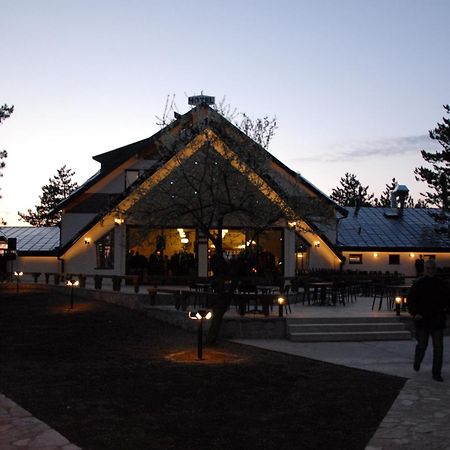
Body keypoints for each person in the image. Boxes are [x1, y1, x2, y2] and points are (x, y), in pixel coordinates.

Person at [407, 261, 450, 382]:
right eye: (428, 268)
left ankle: (436, 372)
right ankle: (417, 360)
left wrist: (446, 311)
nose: (431, 270)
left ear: (435, 269)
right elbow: (411, 300)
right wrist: (415, 313)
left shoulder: (442, 284)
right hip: (422, 320)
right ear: (425, 269)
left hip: (437, 319)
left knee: (438, 347)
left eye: (433, 268)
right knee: (422, 344)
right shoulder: (419, 284)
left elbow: (448, 299)